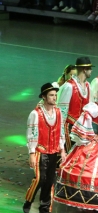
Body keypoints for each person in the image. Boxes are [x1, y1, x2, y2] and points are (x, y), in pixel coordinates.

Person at [54, 83, 98, 211]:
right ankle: (88, 199)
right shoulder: (94, 108)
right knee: (90, 171)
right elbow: (83, 122)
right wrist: (91, 136)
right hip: (97, 143)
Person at [23, 83, 66, 213]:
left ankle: (45, 206)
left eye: (55, 95)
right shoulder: (36, 114)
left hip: (53, 151)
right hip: (40, 152)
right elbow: (32, 134)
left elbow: (61, 131)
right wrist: (31, 153)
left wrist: (62, 149)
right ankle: (28, 201)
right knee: (40, 179)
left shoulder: (58, 112)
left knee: (50, 179)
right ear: (44, 97)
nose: (54, 98)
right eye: (51, 95)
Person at [57, 56, 93, 152]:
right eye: (90, 68)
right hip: (69, 129)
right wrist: (60, 135)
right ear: (84, 69)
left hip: (82, 129)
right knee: (69, 156)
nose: (91, 71)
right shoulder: (69, 86)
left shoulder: (88, 86)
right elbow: (61, 111)